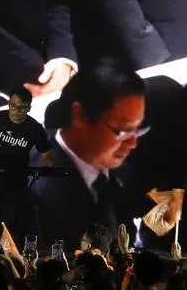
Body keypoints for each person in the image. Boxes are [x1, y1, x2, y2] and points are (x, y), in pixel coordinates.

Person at [30, 61, 151, 246]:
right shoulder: (38, 193)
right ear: (80, 116)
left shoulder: (122, 166)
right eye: (123, 131)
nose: (133, 143)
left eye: (137, 129)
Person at [0, 87, 51, 231]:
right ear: (9, 104)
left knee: (12, 227)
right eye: (13, 105)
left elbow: (47, 153)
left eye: (22, 107)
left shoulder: (35, 128)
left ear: (29, 108)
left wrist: (46, 165)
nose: (16, 110)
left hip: (16, 184)